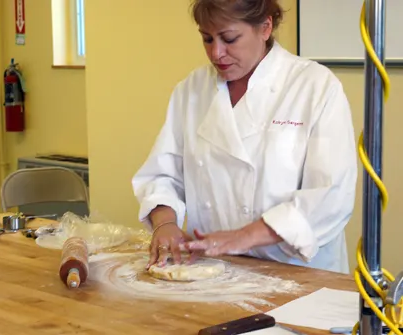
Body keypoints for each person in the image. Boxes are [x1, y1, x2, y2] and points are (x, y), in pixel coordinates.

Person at [131, 0, 357, 274]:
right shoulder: (192, 90)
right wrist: (165, 223)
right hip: (213, 269)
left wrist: (243, 237)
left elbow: (330, 197)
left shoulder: (315, 87)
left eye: (229, 39)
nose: (216, 53)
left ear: (265, 27)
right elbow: (163, 175)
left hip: (299, 273)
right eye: (207, 39)